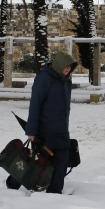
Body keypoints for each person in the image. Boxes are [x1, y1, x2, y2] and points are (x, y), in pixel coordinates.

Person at [7, 51, 77, 194]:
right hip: (45, 131)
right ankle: (13, 183)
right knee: (37, 162)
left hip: (62, 131)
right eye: (66, 66)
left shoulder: (66, 81)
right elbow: (35, 104)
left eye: (70, 67)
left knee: (62, 161)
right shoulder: (44, 78)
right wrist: (31, 130)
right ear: (59, 65)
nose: (68, 69)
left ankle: (55, 192)